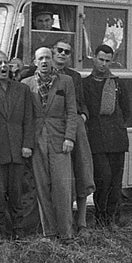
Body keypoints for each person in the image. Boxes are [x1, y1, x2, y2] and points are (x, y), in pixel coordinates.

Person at [0, 50, 36, 239]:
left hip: (18, 150)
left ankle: (18, 232)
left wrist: (28, 144)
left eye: (6, 63)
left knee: (16, 193)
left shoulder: (22, 90)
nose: (4, 67)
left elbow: (29, 119)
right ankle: (0, 233)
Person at [81, 42, 132, 228]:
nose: (103, 64)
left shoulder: (118, 84)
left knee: (116, 183)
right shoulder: (85, 84)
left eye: (107, 61)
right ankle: (101, 218)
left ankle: (113, 219)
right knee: (103, 180)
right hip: (96, 139)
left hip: (116, 139)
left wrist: (116, 127)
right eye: (100, 59)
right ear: (94, 58)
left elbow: (126, 111)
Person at [28, 46, 76, 239]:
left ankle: (66, 233)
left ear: (53, 59)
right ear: (35, 62)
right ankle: (49, 232)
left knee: (62, 187)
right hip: (38, 140)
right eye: (41, 58)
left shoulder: (66, 82)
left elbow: (72, 112)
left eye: (48, 57)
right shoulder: (27, 83)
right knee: (42, 187)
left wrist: (69, 137)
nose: (45, 61)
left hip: (60, 140)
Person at [52, 40, 95, 233]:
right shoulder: (38, 73)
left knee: (82, 167)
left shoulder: (74, 77)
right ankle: (62, 221)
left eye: (66, 52)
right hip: (53, 126)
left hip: (74, 124)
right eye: (59, 50)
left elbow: (82, 103)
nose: (62, 54)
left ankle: (82, 220)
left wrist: (82, 117)